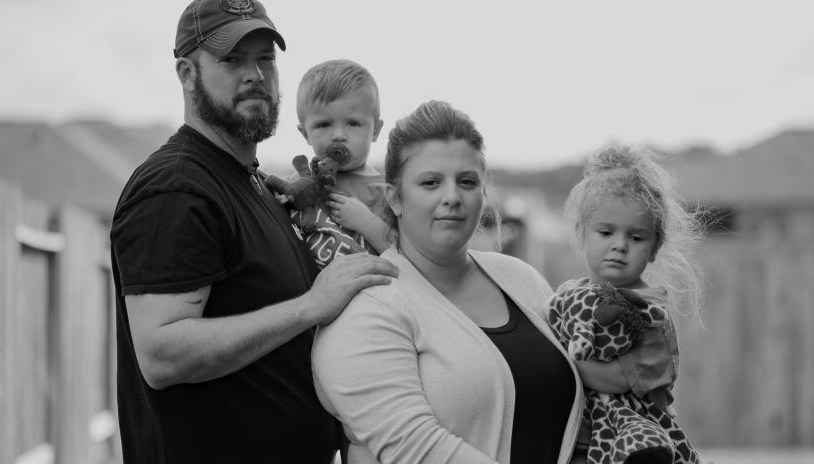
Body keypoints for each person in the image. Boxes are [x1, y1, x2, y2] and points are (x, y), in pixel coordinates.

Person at [109, 0, 397, 463]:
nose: (255, 75)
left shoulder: (258, 186)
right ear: (187, 73)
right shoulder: (177, 189)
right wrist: (310, 306)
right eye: (232, 59)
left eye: (265, 59)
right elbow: (162, 354)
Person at [311, 100, 584, 464]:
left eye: (467, 181)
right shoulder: (367, 310)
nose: (452, 197)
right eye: (431, 182)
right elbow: (417, 449)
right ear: (394, 198)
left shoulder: (522, 279)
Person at [547, 144, 704, 463]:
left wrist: (564, 360)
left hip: (635, 434)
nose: (620, 245)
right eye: (606, 232)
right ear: (581, 234)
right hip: (580, 437)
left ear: (654, 248)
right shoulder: (567, 295)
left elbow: (617, 378)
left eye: (636, 238)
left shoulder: (650, 312)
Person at [286, 59, 392, 267]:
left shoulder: (389, 192)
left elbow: (408, 259)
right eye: (324, 124)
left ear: (376, 130)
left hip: (373, 295)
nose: (338, 135)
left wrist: (367, 223)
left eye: (353, 123)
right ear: (305, 133)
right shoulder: (299, 183)